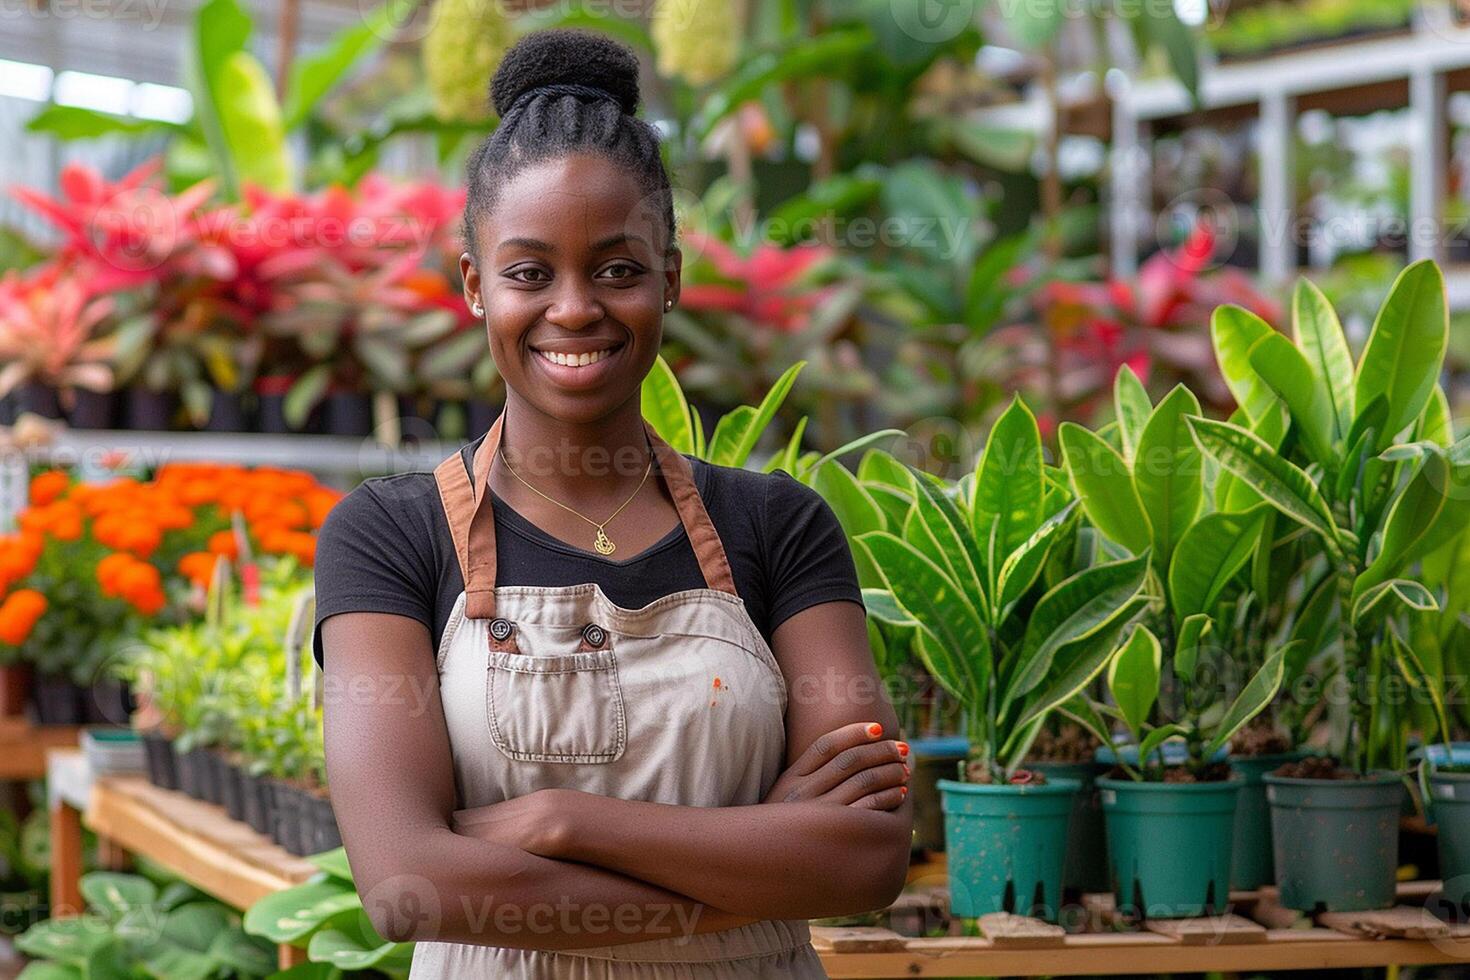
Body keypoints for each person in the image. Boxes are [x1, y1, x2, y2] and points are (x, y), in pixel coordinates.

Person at [314, 29, 912, 978]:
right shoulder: (392, 537)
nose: (575, 307)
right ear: (476, 286)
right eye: (528, 272)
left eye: (618, 269)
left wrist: (565, 822)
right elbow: (407, 886)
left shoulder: (779, 528)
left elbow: (869, 857)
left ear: (669, 280)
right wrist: (766, 851)